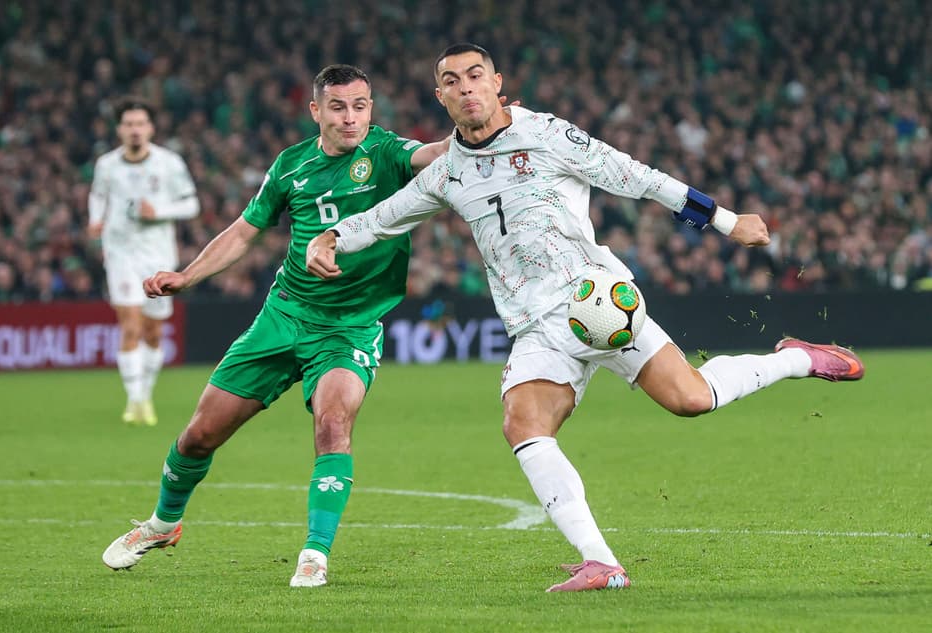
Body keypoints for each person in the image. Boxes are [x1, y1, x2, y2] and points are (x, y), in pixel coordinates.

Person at [305, 44, 865, 593]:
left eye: (475, 75)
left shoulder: (547, 134)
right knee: (523, 425)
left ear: (497, 83)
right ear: (440, 97)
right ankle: (601, 563)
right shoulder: (447, 171)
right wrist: (331, 237)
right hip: (535, 326)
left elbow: (637, 176)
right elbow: (385, 216)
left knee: (692, 399)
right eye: (452, 81)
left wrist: (724, 220)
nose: (466, 87)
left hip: (596, 300)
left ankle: (796, 359)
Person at [101, 65, 454, 587]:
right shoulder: (291, 166)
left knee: (333, 426)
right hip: (283, 315)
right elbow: (245, 231)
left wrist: (481, 124)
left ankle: (315, 554)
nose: (350, 117)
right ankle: (162, 523)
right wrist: (187, 275)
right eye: (338, 107)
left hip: (349, 327)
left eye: (360, 106)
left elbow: (436, 152)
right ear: (316, 111)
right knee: (198, 436)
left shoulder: (386, 153)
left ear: (371, 110)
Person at [88, 97, 200, 426]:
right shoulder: (107, 165)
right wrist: (95, 219)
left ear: (150, 128)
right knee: (130, 325)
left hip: (158, 256)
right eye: (129, 124)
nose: (135, 130)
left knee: (153, 332)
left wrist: (159, 211)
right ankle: (135, 401)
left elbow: (191, 204)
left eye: (140, 123)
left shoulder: (169, 163)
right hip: (120, 253)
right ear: (119, 129)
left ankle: (145, 395)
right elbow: (98, 194)